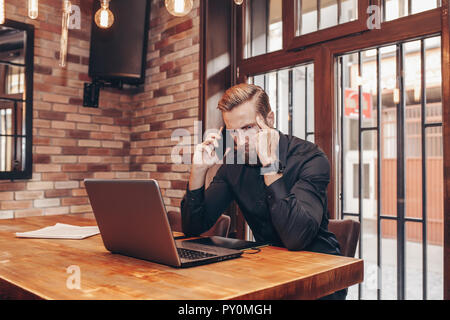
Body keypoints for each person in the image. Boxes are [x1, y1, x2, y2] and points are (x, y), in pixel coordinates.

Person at [180, 83, 347, 300]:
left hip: (319, 275)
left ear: (269, 120)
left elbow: (296, 239)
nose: (240, 141)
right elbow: (193, 228)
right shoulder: (234, 164)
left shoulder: (310, 158)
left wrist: (270, 165)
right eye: (233, 132)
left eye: (248, 128)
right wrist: (198, 173)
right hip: (270, 267)